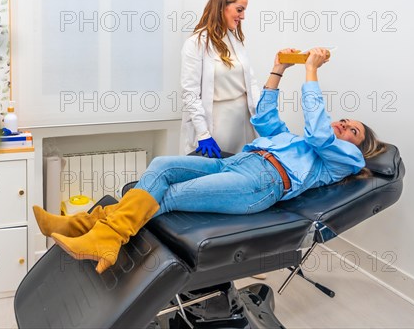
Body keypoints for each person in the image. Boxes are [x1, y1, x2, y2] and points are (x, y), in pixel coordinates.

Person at [34, 48, 386, 274]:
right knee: (162, 167)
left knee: (168, 196)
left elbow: (320, 131)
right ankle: (93, 232)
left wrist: (311, 72)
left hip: (261, 184)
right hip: (238, 164)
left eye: (352, 129)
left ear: (359, 145)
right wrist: (278, 68)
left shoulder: (347, 160)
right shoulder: (298, 141)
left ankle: (94, 229)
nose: (343, 124)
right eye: (344, 119)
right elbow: (265, 120)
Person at [180, 0, 260, 157]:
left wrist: (263, 117)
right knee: (214, 177)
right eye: (239, 10)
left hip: (243, 124)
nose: (243, 16)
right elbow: (190, 92)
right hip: (216, 125)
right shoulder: (196, 43)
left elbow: (251, 82)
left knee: (241, 177)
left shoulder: (236, 41)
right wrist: (203, 134)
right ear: (222, 6)